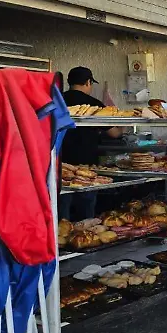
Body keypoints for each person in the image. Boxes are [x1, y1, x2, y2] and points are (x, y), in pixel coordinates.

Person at [59, 66, 121, 221]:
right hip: (86, 165)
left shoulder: (57, 100)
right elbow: (114, 133)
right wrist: (123, 124)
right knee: (86, 210)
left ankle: (61, 241)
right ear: (88, 82)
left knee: (61, 209)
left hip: (59, 164)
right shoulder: (94, 105)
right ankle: (85, 240)